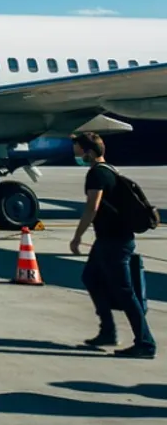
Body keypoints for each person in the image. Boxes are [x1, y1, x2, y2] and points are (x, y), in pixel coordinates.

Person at [69, 130, 156, 358]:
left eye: (77, 150)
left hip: (115, 241)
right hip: (109, 240)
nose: (76, 155)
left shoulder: (97, 175)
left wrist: (77, 236)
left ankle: (145, 343)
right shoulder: (109, 170)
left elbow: (92, 207)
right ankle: (108, 330)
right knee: (90, 277)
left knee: (126, 293)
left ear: (88, 152)